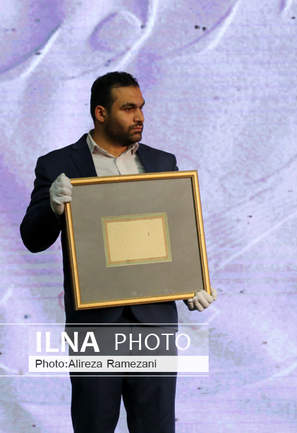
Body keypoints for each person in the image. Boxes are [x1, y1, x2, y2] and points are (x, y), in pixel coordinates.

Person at [19, 71, 214, 433]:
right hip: (94, 327)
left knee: (156, 427)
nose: (139, 117)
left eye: (141, 107)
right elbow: (33, 239)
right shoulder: (57, 165)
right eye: (128, 108)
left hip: (154, 322)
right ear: (100, 113)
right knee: (94, 426)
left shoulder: (161, 162)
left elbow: (174, 234)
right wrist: (52, 207)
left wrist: (191, 283)